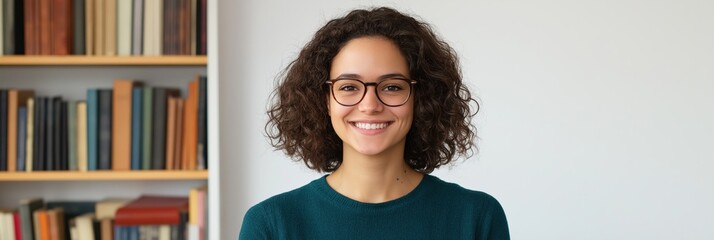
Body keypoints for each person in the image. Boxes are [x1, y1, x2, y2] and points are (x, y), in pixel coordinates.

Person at [239, 7, 509, 240]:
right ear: (325, 100)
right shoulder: (271, 224)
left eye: (392, 86)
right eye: (348, 87)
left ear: (420, 97)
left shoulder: (476, 217)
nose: (370, 105)